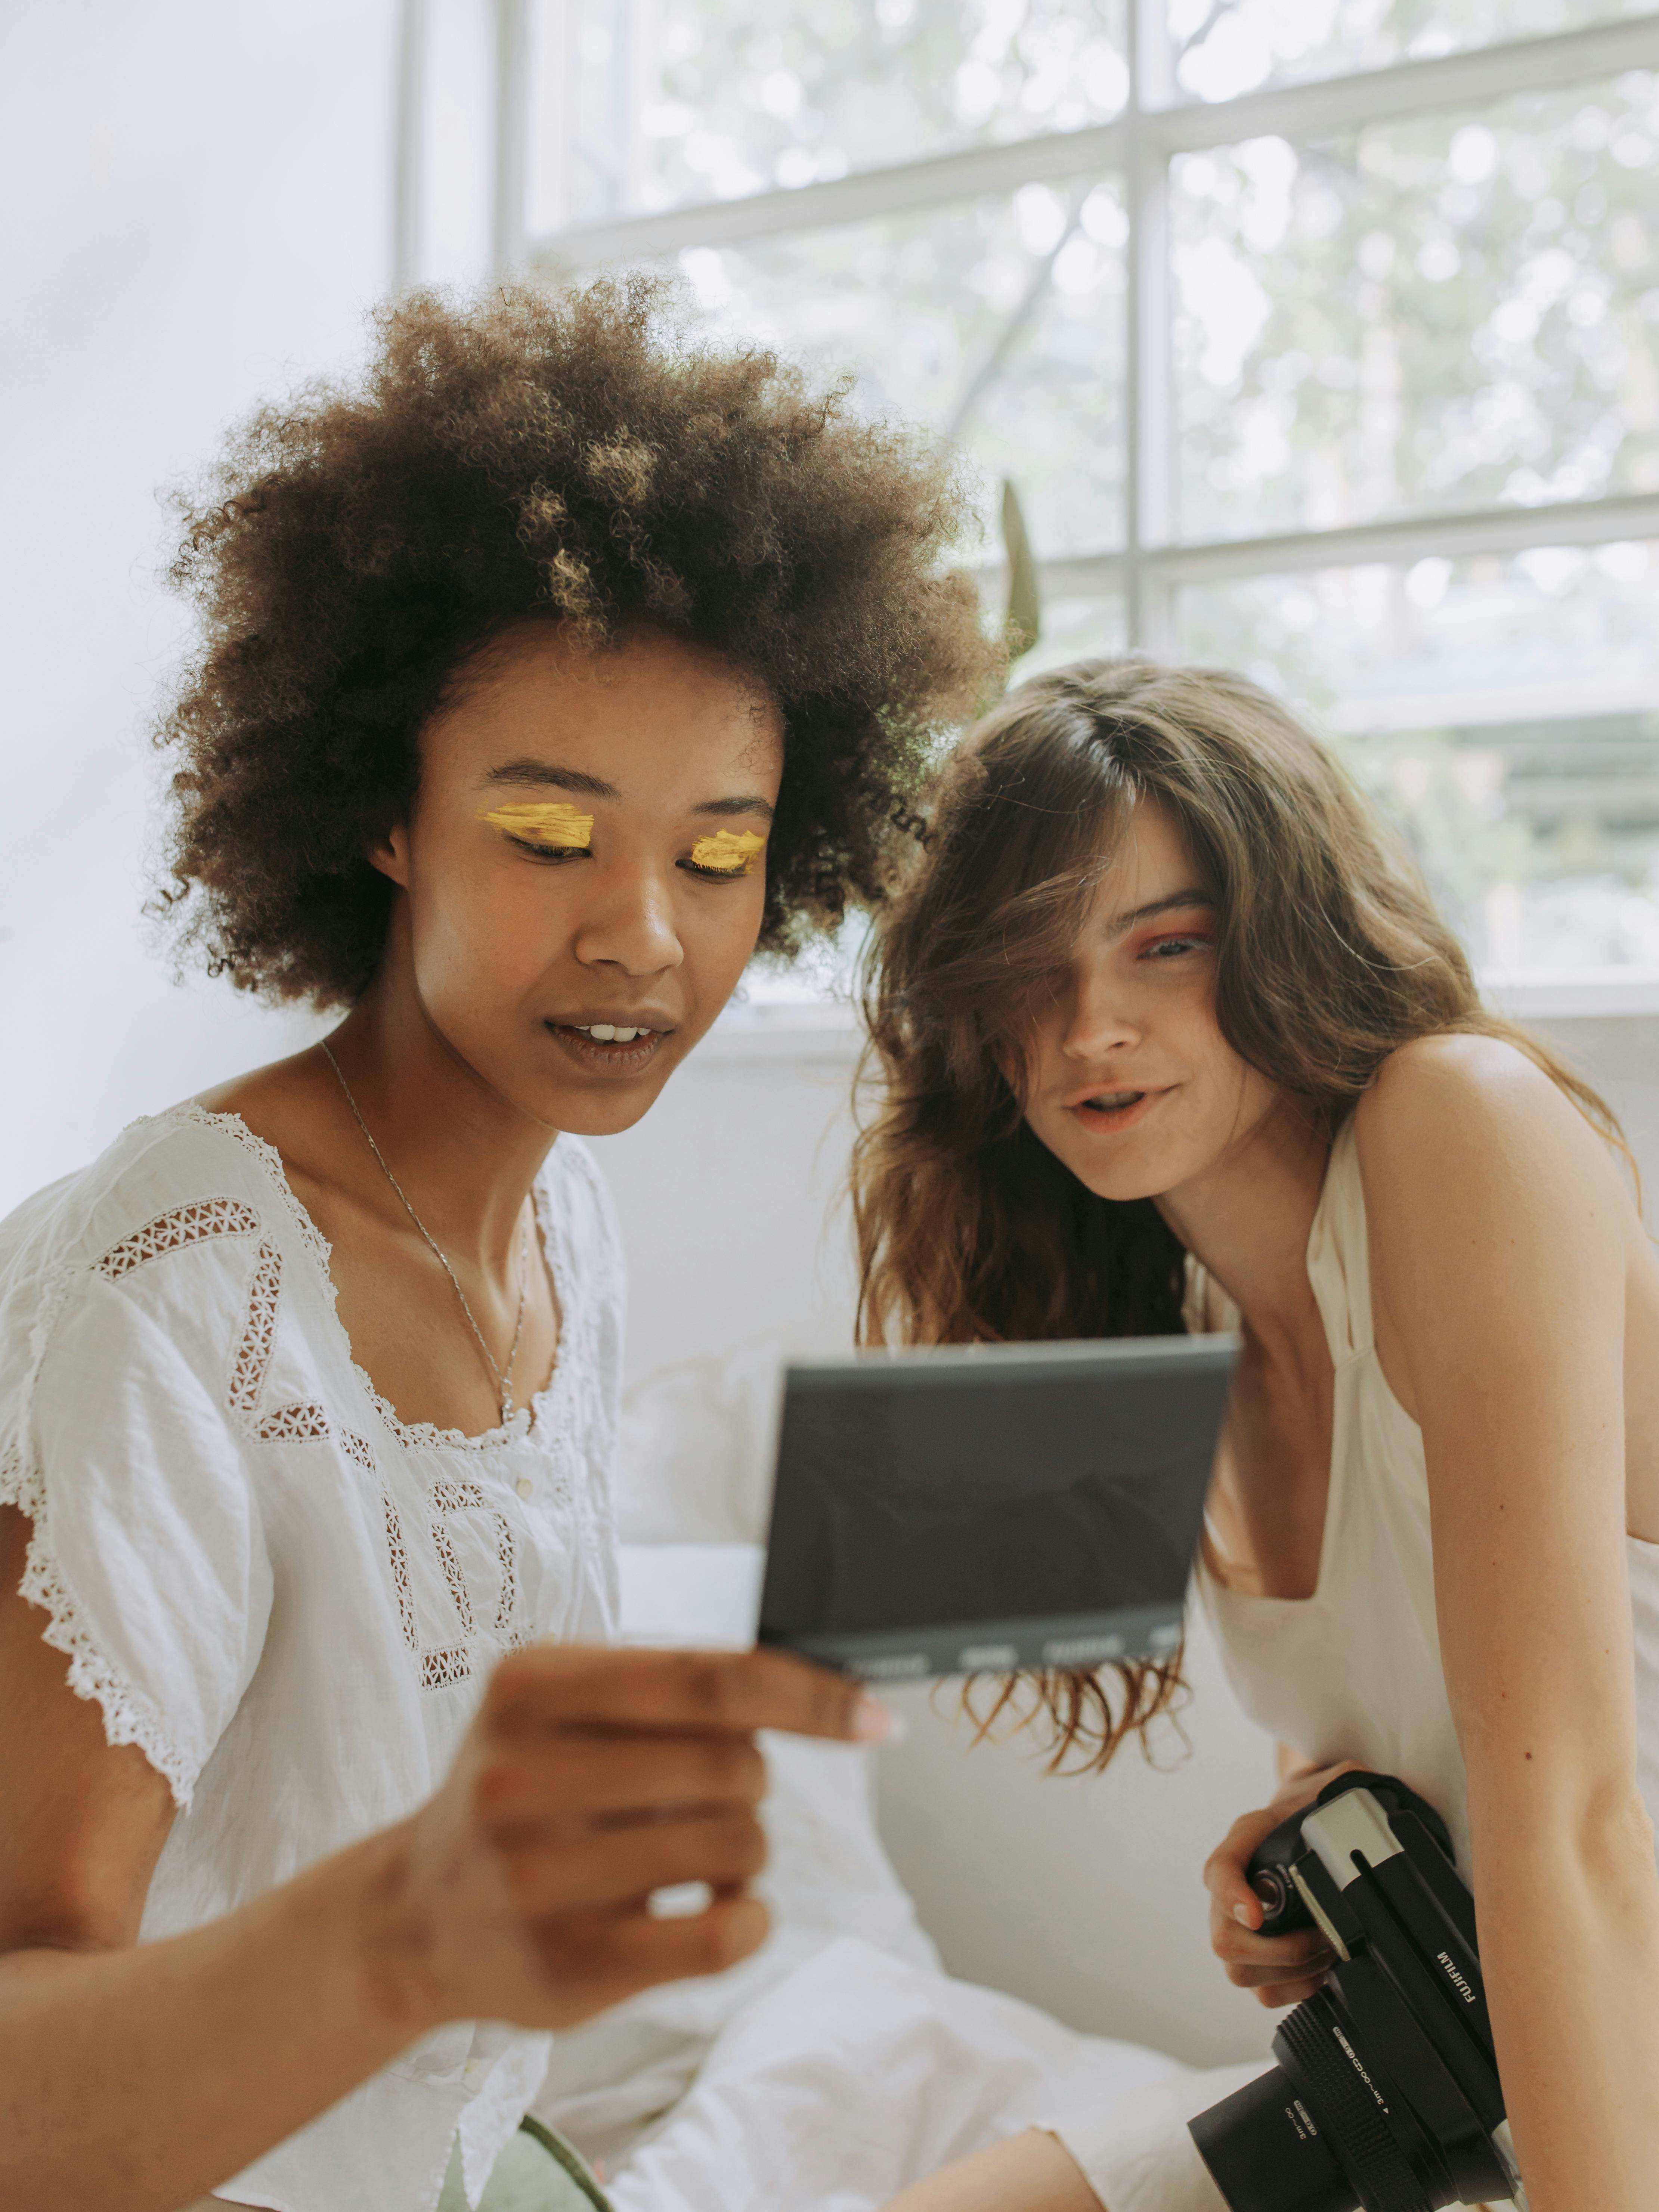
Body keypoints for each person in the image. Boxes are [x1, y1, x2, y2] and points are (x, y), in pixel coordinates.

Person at [0, 275, 999, 2212]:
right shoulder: (180, 1278)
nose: (645, 932)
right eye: (551, 834)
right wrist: (411, 1925)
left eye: (719, 854)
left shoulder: (567, 1222)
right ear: (383, 806)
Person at [854, 656, 1659, 2212]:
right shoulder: (1179, 1342)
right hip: (1464, 2056)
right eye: (1033, 967)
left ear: (1281, 933)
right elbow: (1428, 1742)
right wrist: (1301, 1856)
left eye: (1165, 945)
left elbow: (1573, 1814)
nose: (1092, 1025)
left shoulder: (1459, 1125)